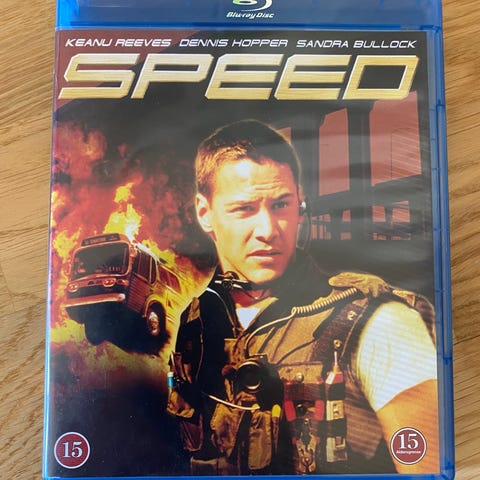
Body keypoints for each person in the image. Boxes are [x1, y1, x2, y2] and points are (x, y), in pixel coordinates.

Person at [167, 119, 439, 475]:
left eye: (281, 205)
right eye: (244, 209)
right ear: (205, 213)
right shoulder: (197, 318)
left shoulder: (381, 322)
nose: (268, 230)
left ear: (300, 206)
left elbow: (428, 468)